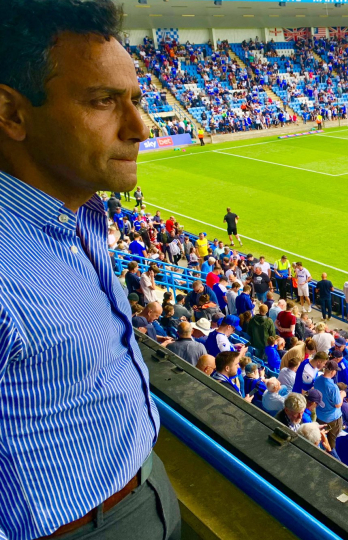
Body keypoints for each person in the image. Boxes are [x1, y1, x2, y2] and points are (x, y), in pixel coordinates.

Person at [0, 3, 183, 536]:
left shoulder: (77, 214)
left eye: (137, 101)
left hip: (148, 481)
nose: (141, 127)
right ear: (12, 114)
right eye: (104, 102)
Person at [313, 359, 344, 450]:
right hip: (332, 419)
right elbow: (338, 404)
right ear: (333, 372)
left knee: (321, 438)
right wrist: (342, 395)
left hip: (320, 416)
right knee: (332, 442)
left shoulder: (317, 380)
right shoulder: (333, 387)